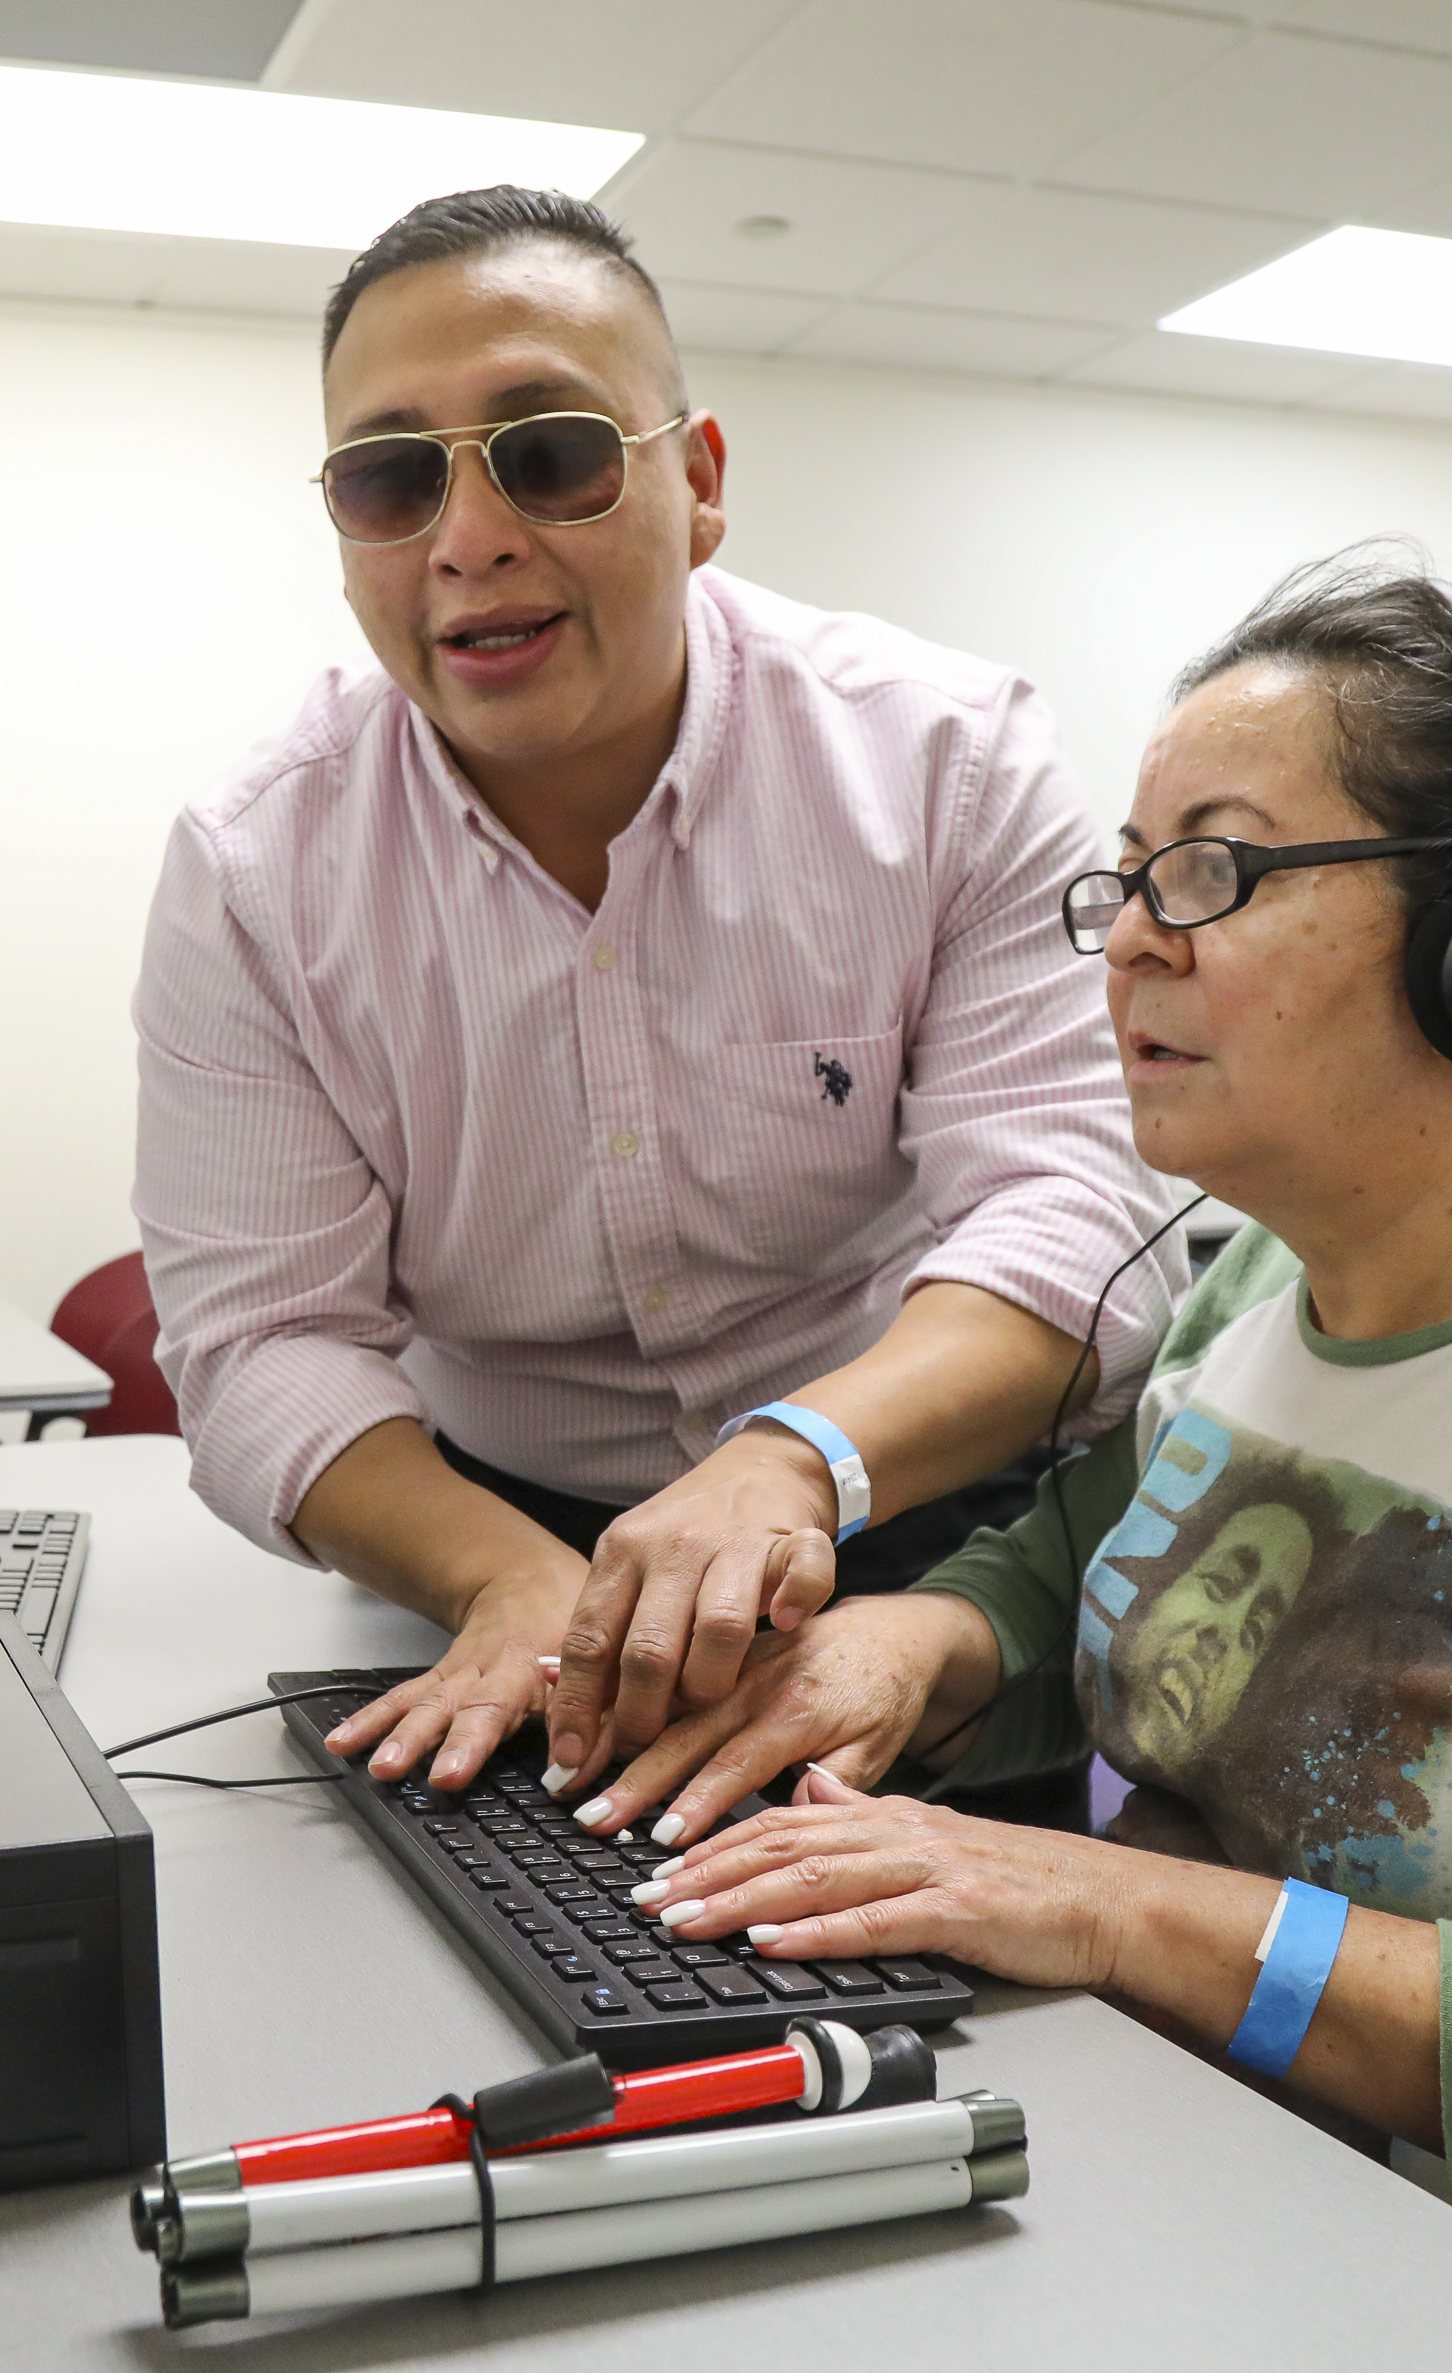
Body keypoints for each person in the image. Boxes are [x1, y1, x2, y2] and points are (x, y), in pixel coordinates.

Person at [572, 557, 1452, 2373]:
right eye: (1126, 876)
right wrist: (907, 1652)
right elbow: (1078, 1559)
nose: (1127, 938)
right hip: (1204, 2198)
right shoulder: (1269, 1273)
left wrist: (1111, 1907)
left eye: (1217, 870)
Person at [132, 187, 1177, 1806]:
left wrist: (797, 1458)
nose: (469, 538)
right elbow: (264, 1337)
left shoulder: (948, 764)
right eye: (392, 477)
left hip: (894, 1505)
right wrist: (495, 1576)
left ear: (696, 484)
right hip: (486, 1537)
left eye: (547, 451)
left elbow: (1069, 1216)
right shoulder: (261, 868)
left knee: (962, 2026)